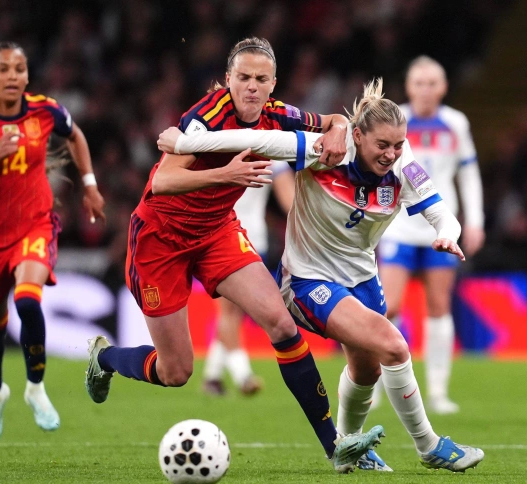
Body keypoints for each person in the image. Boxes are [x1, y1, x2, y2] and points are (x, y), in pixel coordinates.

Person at [84, 38, 384, 473]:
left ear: (272, 83)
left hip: (216, 232)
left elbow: (335, 119)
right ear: (228, 80)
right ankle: (104, 358)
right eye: (243, 78)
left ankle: (334, 445)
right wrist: (228, 173)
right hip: (160, 240)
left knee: (281, 322)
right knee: (176, 371)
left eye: (261, 79)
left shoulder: (278, 113)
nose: (252, 87)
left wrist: (337, 128)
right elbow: (163, 182)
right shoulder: (204, 119)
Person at [158, 78, 486, 473]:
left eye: (398, 144)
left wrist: (447, 235)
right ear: (358, 135)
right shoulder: (321, 150)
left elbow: (441, 213)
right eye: (382, 145)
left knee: (367, 370)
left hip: (363, 278)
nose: (391, 154)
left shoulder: (405, 166)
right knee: (394, 345)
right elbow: (254, 137)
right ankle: (429, 446)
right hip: (307, 282)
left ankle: (348, 449)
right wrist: (186, 143)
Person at [0, 41, 106, 445]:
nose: (12, 76)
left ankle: (35, 387)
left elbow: (76, 136)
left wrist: (89, 185)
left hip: (34, 226)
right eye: (3, 69)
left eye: (19, 69)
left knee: (28, 300)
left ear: (27, 76)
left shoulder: (45, 110)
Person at [377, 56, 485, 414]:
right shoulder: (394, 120)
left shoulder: (457, 123)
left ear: (444, 87)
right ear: (408, 87)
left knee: (438, 307)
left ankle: (437, 392)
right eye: (418, 83)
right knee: (387, 307)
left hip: (440, 227)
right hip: (399, 227)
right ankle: (375, 385)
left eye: (432, 82)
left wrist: (475, 220)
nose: (425, 89)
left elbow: (468, 174)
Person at [202, 161, 294, 397]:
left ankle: (212, 376)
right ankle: (243, 376)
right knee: (231, 312)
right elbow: (290, 201)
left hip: (227, 236)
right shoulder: (273, 151)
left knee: (233, 313)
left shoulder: (219, 145)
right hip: (246, 240)